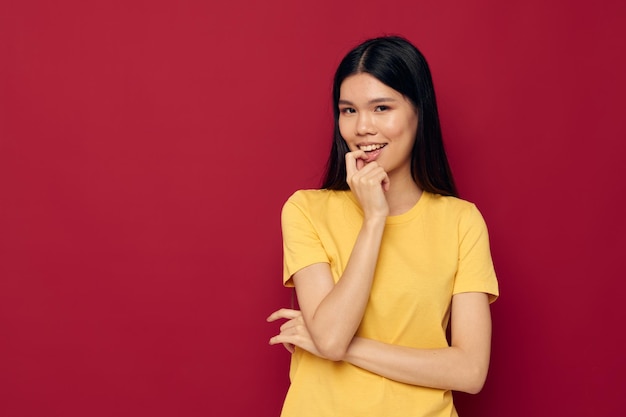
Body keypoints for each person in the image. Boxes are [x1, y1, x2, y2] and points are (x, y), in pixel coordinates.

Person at [267, 35, 499, 417]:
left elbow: (470, 371)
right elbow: (330, 334)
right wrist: (374, 218)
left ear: (418, 111)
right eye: (348, 110)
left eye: (381, 108)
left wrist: (342, 347)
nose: (362, 127)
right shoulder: (306, 210)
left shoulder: (461, 221)